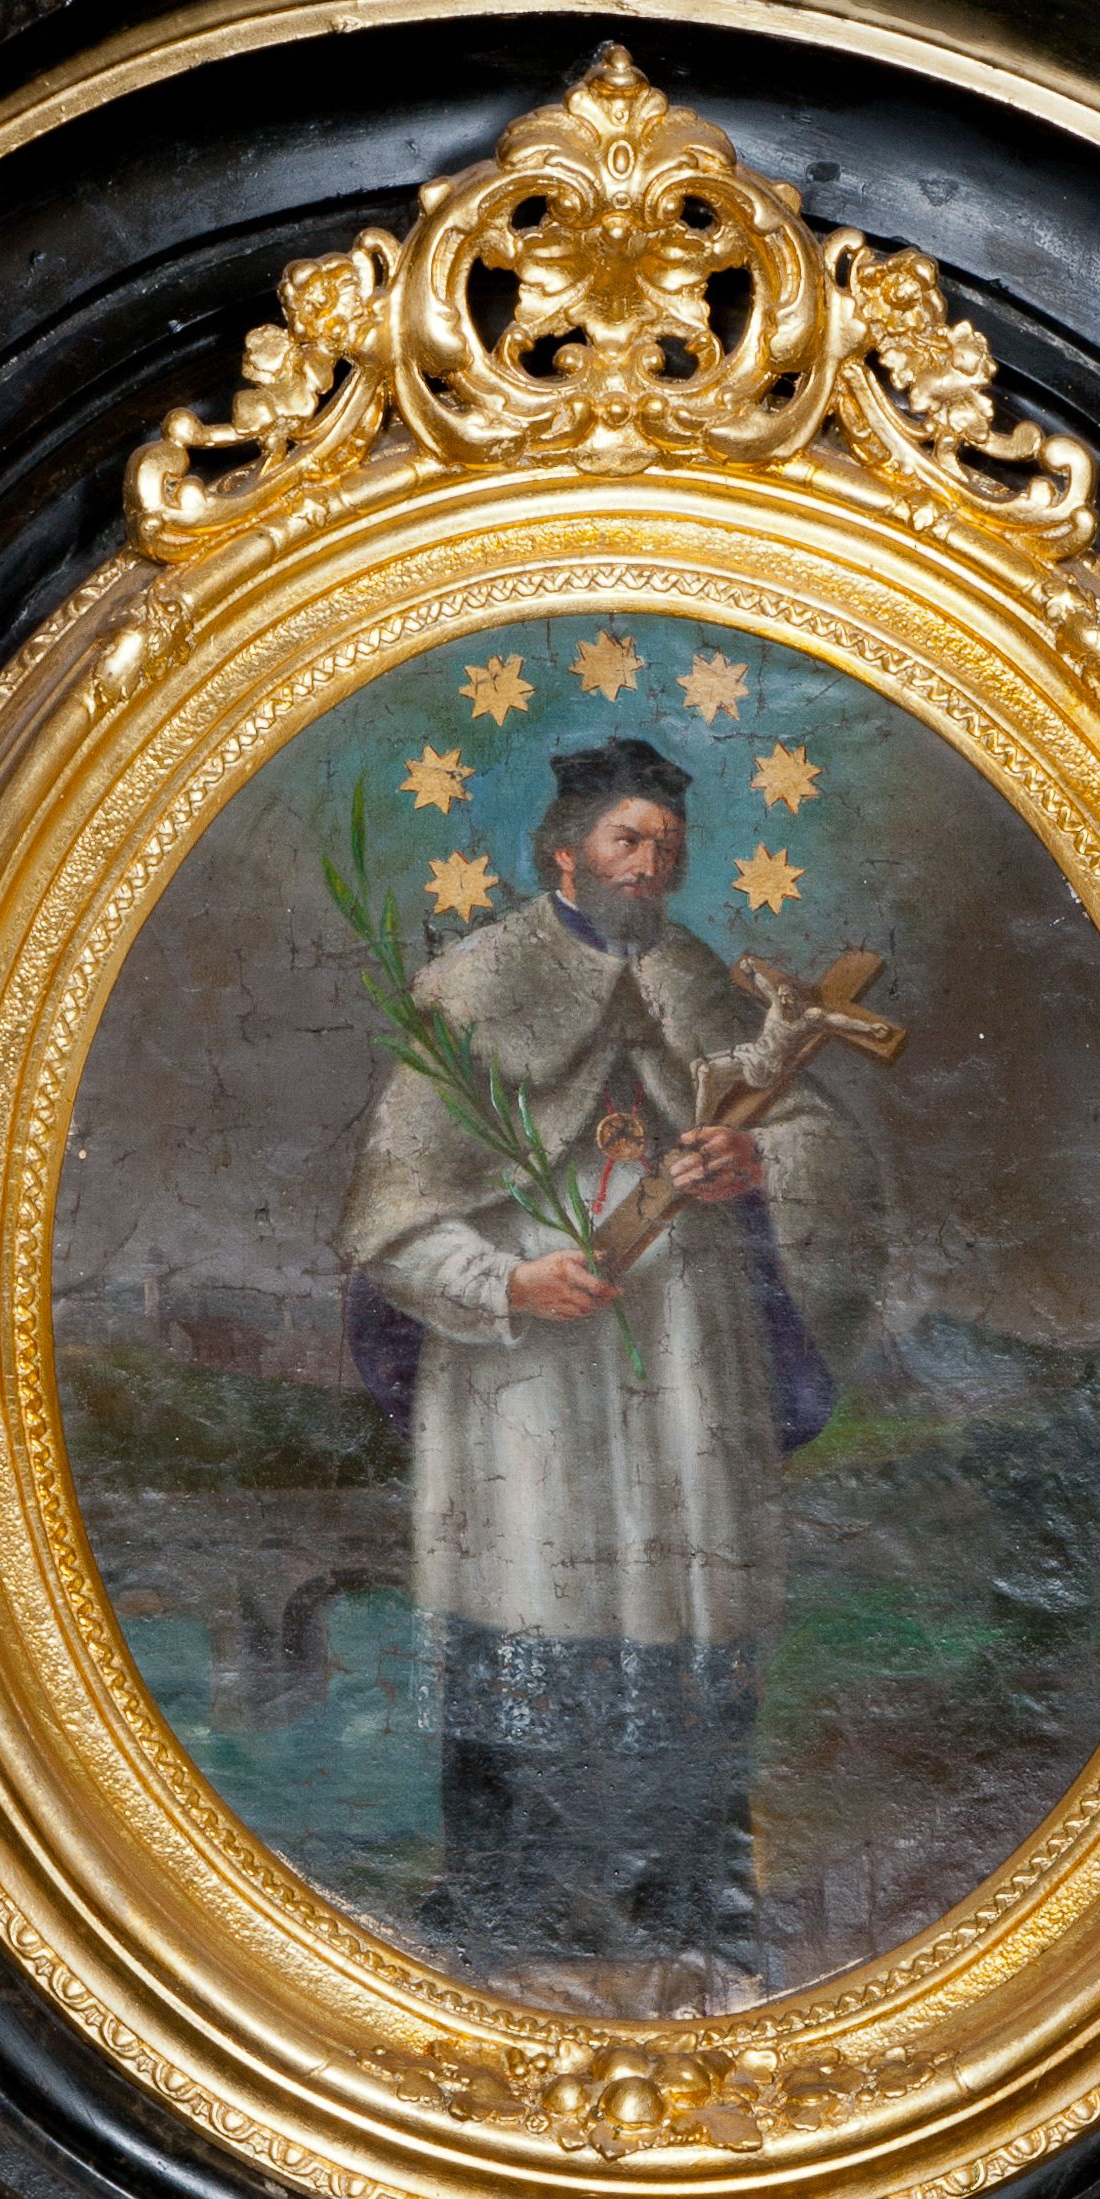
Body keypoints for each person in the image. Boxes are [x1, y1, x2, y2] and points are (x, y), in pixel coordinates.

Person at [337, 737, 881, 2015]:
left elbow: (815, 1143)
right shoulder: (476, 987)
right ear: (564, 854)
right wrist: (502, 1284)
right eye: (628, 840)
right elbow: (391, 1216)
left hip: (688, 1369)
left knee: (687, 1621)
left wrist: (759, 1166)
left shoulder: (703, 985)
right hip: (524, 1386)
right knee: (528, 1612)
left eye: (668, 847)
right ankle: (509, 1924)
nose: (651, 864)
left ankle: (692, 1920)